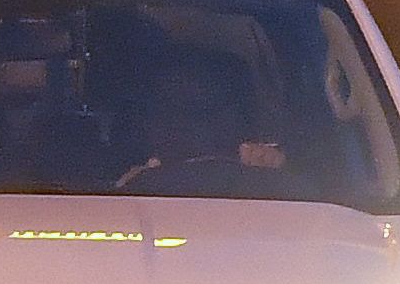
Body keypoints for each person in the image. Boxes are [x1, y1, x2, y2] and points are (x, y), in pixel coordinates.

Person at [115, 49, 284, 196]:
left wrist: (271, 174)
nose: (181, 123)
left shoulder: (268, 175)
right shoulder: (127, 186)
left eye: (202, 110)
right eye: (168, 108)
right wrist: (128, 189)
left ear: (239, 115)